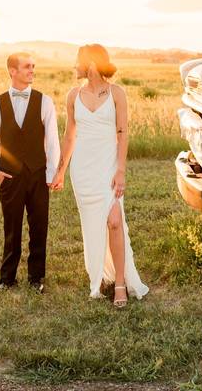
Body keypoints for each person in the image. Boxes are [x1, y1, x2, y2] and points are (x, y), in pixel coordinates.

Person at [51, 44, 148, 308]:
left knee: (115, 221)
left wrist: (120, 170)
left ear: (91, 63)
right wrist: (60, 170)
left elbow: (122, 133)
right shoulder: (73, 95)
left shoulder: (117, 93)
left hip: (108, 166)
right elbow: (70, 135)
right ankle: (101, 276)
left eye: (77, 61)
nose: (74, 66)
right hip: (82, 170)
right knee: (93, 226)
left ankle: (119, 283)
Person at [0, 52, 60, 293]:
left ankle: (37, 278)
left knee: (39, 227)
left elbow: (53, 142)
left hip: (38, 174)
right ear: (12, 71)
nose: (32, 71)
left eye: (33, 66)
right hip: (10, 176)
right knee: (11, 228)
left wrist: (51, 174)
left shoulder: (44, 101)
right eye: (27, 67)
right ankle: (7, 279)